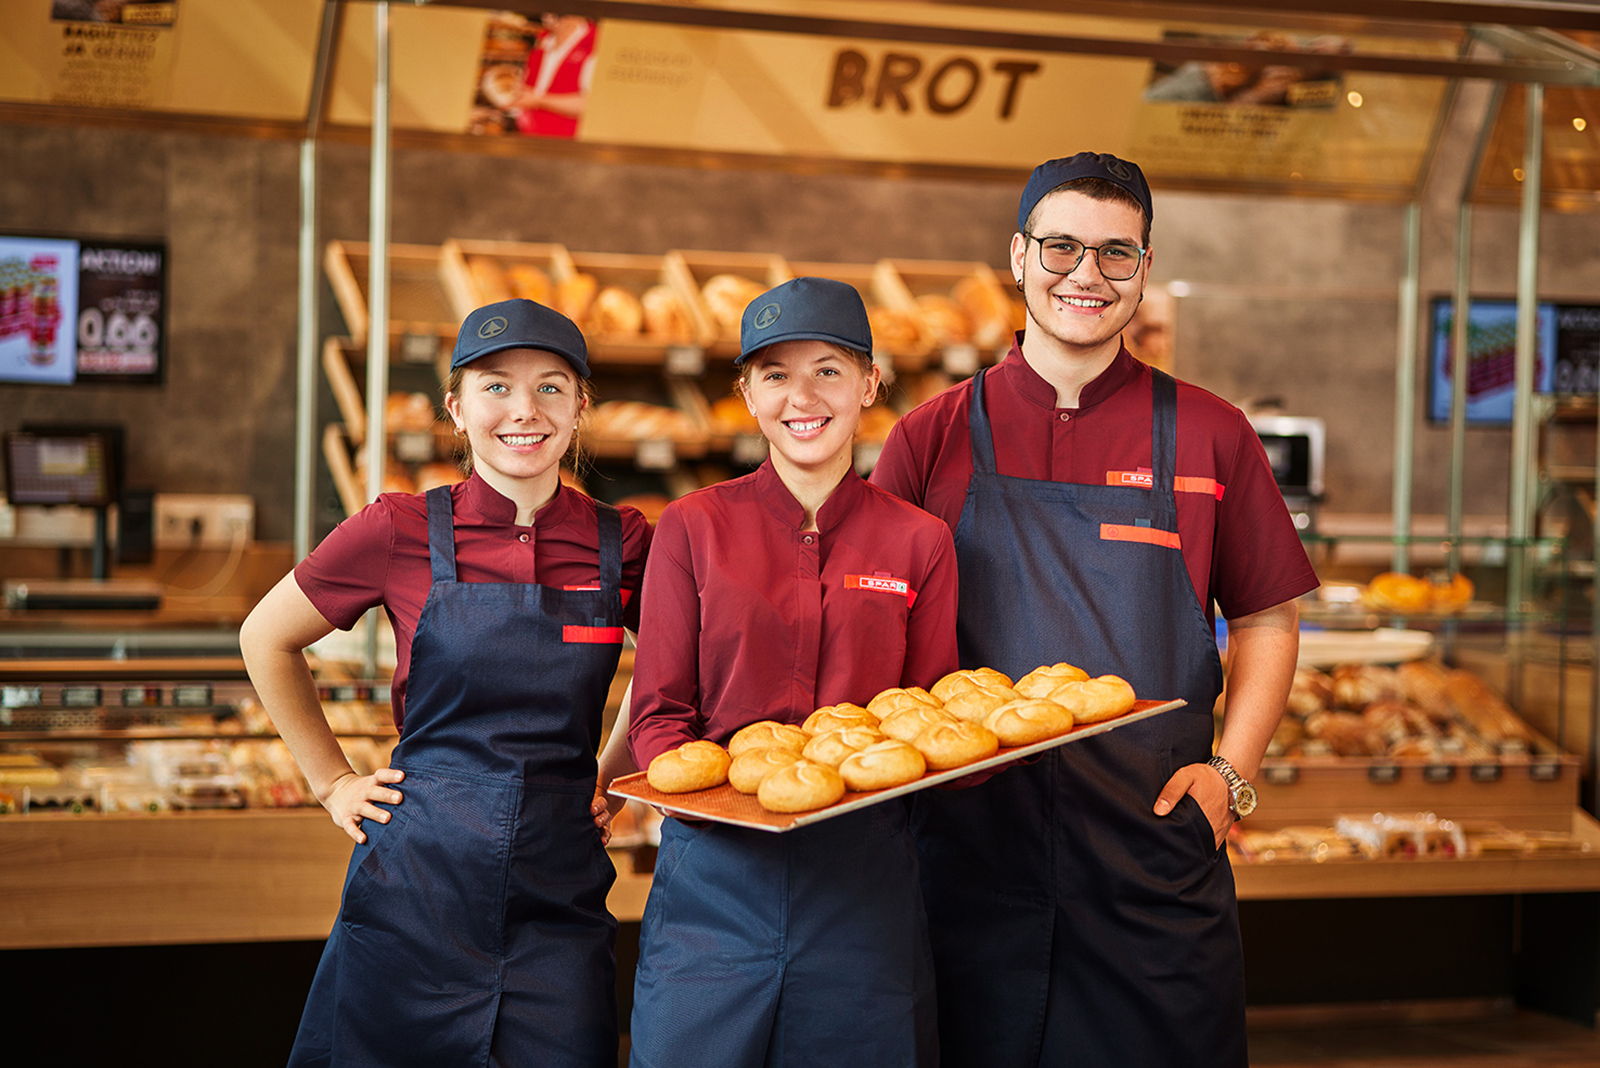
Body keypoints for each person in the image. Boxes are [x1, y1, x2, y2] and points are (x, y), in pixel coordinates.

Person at [870, 152, 1318, 1068]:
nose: (1086, 274)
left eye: (1117, 253)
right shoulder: (931, 434)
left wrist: (1227, 779)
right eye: (1062, 246)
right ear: (1018, 254)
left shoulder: (1211, 431)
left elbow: (1269, 615)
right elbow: (875, 623)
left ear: (1144, 269)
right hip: (963, 858)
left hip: (1151, 854)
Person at [240, 298, 652, 1067]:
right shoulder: (396, 527)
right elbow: (265, 637)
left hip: (558, 888)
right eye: (496, 387)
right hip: (416, 886)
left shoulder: (620, 538)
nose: (523, 410)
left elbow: (673, 658)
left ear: (580, 407)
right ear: (457, 409)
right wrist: (332, 782)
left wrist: (613, 772)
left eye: (551, 387)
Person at [625, 277, 959, 1068]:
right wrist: (729, 805)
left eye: (829, 370)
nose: (801, 396)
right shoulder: (692, 528)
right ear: (745, 392)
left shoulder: (921, 542)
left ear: (871, 384)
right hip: (714, 883)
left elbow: (935, 724)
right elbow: (659, 715)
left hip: (864, 892)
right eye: (775, 373)